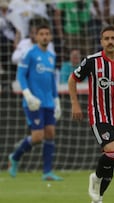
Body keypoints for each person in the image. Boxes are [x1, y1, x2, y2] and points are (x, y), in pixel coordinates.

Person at [68, 25, 114, 203]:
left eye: (113, 38)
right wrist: (75, 103)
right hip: (98, 115)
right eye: (106, 38)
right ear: (101, 42)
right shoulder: (92, 61)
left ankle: (98, 198)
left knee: (112, 163)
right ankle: (95, 178)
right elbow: (72, 79)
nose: (110, 41)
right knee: (113, 152)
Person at [8, 23, 62, 181]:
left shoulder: (52, 56)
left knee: (51, 133)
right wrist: (28, 95)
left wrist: (57, 100)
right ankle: (15, 157)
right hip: (33, 102)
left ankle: (47, 172)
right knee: (38, 136)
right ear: (36, 36)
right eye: (42, 34)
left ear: (50, 37)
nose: (45, 36)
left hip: (48, 102)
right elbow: (21, 75)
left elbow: (52, 80)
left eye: (47, 33)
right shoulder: (29, 54)